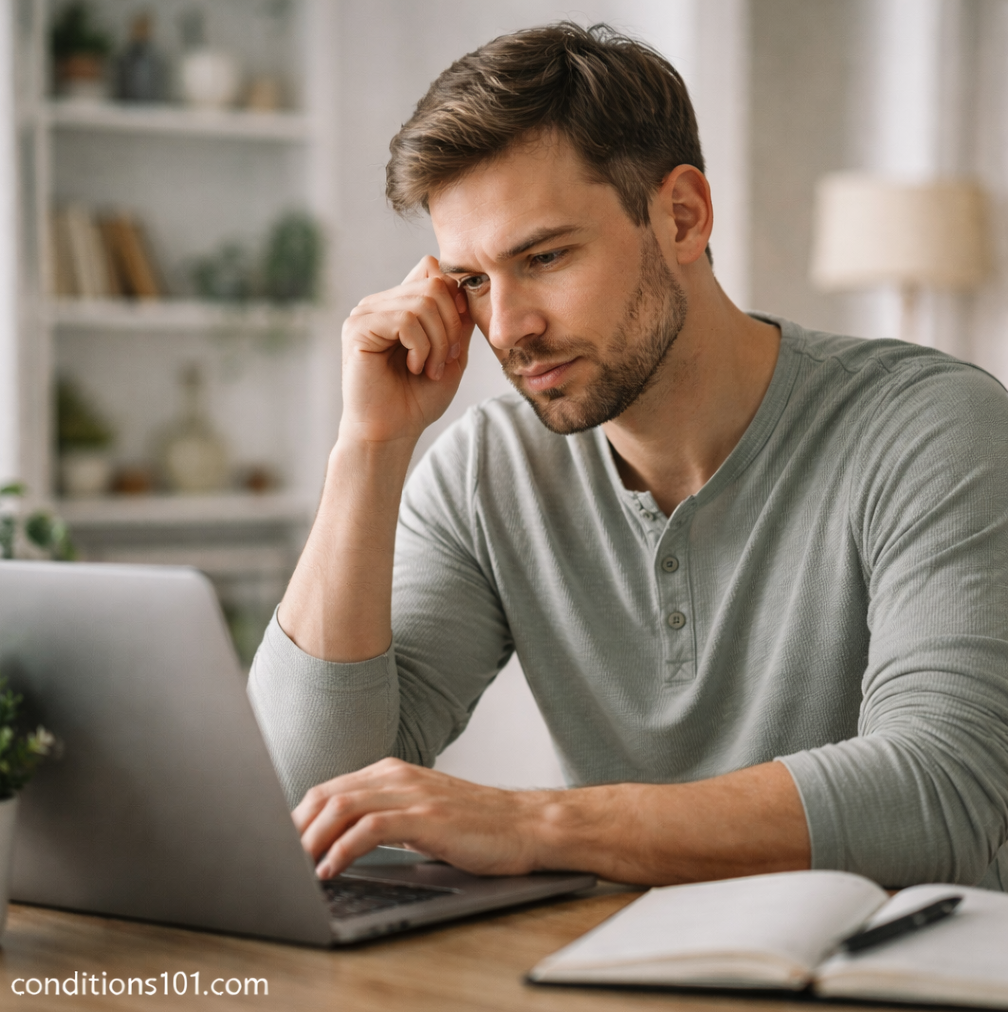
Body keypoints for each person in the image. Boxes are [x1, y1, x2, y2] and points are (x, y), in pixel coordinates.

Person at [248, 22, 1008, 891]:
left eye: (545, 257)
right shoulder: (487, 474)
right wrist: (368, 448)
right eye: (472, 281)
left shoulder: (934, 427)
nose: (506, 328)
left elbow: (944, 793)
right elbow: (306, 797)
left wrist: (535, 821)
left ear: (682, 216)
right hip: (616, 976)